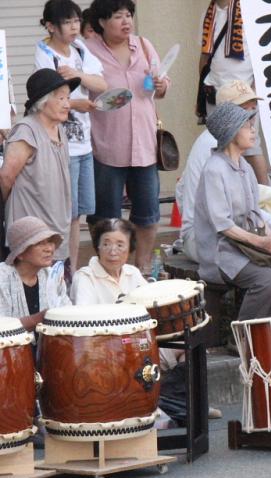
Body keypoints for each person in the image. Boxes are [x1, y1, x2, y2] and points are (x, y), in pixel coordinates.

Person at [70, 217, 223, 421]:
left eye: (119, 244)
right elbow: (85, 319)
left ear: (130, 248)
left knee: (190, 344)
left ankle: (191, 403)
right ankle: (171, 404)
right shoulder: (85, 277)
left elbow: (152, 305)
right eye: (106, 243)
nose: (112, 250)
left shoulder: (132, 273)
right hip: (110, 349)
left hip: (142, 342)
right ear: (97, 246)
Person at [194, 103, 271, 320]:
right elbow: (223, 225)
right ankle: (246, 338)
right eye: (247, 126)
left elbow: (254, 212)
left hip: (247, 251)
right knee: (266, 279)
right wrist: (261, 243)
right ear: (231, 132)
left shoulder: (245, 167)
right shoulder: (214, 170)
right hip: (221, 254)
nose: (253, 130)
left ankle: (270, 332)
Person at [84, 0, 170, 274]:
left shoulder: (144, 45)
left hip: (144, 146)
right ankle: (107, 272)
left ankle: (142, 270)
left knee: (148, 215)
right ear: (101, 22)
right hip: (107, 147)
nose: (126, 21)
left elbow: (162, 86)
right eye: (118, 16)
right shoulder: (87, 51)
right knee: (105, 218)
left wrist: (161, 84)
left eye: (128, 15)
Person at [35, 0, 108, 272]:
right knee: (64, 214)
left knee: (78, 215)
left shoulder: (80, 48)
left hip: (84, 144)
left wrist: (78, 74)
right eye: (67, 22)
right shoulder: (44, 53)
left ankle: (73, 270)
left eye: (76, 20)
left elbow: (101, 84)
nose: (75, 26)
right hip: (61, 145)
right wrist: (78, 103)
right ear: (51, 26)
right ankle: (58, 270)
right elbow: (45, 101)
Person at [177, 80, 269, 263]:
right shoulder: (217, 145)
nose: (252, 116)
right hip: (206, 238)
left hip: (223, 232)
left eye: (253, 107)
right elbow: (223, 220)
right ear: (227, 113)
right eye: (245, 109)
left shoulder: (232, 146)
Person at [0, 68, 77, 263]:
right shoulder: (26, 131)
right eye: (61, 99)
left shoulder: (59, 129)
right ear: (43, 101)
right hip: (31, 231)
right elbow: (6, 178)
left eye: (67, 98)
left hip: (56, 225)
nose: (67, 104)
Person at [198, 0, 269, 185]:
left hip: (242, 94)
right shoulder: (209, 13)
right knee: (220, 146)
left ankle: (266, 194)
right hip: (215, 93)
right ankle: (229, 190)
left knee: (251, 148)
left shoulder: (249, 11)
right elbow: (205, 57)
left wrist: (254, 93)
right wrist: (200, 94)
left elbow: (262, 57)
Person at [0, 217, 71, 331]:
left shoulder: (52, 276)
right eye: (39, 243)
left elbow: (67, 312)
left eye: (50, 241)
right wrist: (40, 318)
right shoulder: (2, 278)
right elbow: (3, 326)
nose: (49, 249)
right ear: (20, 253)